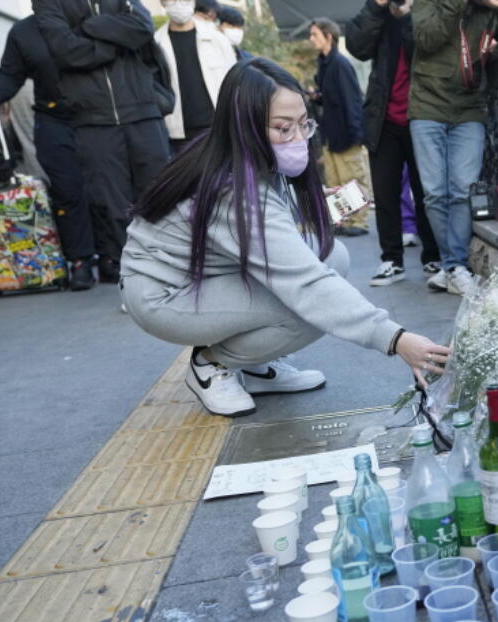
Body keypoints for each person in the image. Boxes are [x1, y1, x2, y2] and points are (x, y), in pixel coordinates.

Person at [119, 58, 449, 418]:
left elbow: (267, 216)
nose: (297, 138)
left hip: (205, 275)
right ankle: (211, 364)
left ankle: (255, 366)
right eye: (282, 128)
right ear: (246, 126)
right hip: (164, 296)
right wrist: (396, 339)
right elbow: (305, 284)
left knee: (333, 256)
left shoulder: (236, 157)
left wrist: (321, 201)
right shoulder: (231, 189)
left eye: (302, 124)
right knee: (306, 304)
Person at [33, 0, 173, 285]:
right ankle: (138, 279)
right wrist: (116, 44)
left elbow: (143, 27)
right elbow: (66, 51)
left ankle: (173, 268)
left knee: (162, 196)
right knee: (114, 207)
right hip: (92, 120)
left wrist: (88, 27)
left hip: (143, 111)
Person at [410, 0, 498, 296]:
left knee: (463, 190)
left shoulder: (487, 9)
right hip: (427, 107)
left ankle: (453, 267)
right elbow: (426, 38)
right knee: (435, 193)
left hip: (470, 108)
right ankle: (455, 266)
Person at [0, 15, 97, 289]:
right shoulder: (24, 31)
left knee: (106, 186)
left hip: (99, 114)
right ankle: (80, 261)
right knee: (67, 190)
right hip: (53, 118)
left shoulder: (90, 18)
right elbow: (9, 74)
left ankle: (114, 256)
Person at [346, 0, 441, 286]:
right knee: (385, 194)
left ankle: (433, 256)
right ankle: (391, 260)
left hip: (421, 116)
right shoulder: (378, 16)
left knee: (425, 192)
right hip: (383, 120)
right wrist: (376, 7)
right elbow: (357, 46)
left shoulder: (425, 12)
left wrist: (410, 13)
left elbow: (425, 47)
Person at [308, 18, 371, 238]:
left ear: (329, 36)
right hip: (331, 134)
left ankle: (359, 222)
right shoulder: (324, 63)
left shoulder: (340, 64)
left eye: (315, 34)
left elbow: (352, 100)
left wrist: (356, 135)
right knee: (336, 182)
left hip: (346, 134)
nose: (311, 38)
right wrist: (317, 97)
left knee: (352, 179)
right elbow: (332, 98)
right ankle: (344, 220)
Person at [155, 0, 238, 154]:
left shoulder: (217, 39)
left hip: (218, 129)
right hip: (177, 136)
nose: (179, 4)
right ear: (162, 2)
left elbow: (235, 80)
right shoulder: (156, 43)